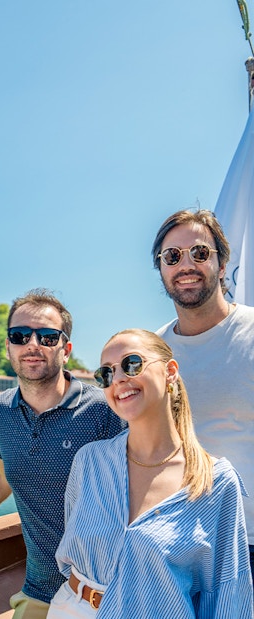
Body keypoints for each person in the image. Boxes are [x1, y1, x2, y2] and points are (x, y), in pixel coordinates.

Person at [48, 329, 253, 618]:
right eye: (106, 374)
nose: (118, 378)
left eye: (132, 363)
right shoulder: (89, 461)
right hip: (72, 608)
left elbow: (227, 592)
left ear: (170, 371)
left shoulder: (215, 482)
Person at [0, 288, 123, 619]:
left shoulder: (104, 410)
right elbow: (2, 474)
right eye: (20, 335)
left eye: (48, 337)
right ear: (8, 346)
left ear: (66, 350)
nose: (33, 345)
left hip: (102, 592)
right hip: (38, 590)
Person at [152, 208, 254, 582]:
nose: (186, 264)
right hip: (180, 545)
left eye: (199, 252)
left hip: (249, 544)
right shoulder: (153, 352)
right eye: (172, 256)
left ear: (222, 264)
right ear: (161, 269)